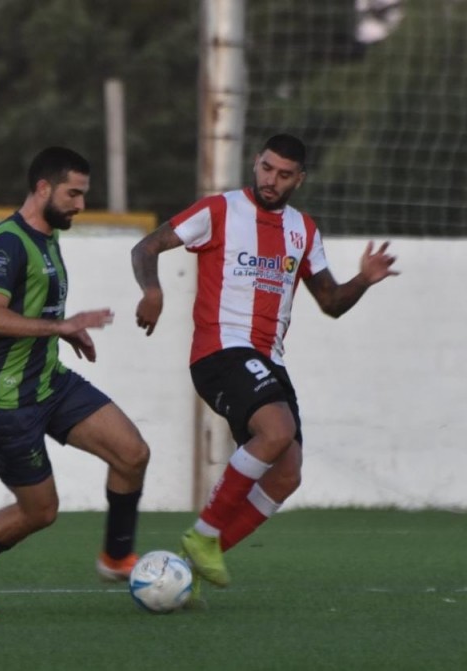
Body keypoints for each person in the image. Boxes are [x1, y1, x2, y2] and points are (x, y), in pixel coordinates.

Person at [130, 134, 398, 590]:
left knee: (287, 473)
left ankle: (188, 568)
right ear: (256, 162)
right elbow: (146, 247)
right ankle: (204, 534)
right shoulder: (219, 210)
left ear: (299, 179)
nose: (272, 180)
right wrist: (152, 291)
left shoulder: (303, 230)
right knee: (276, 430)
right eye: (267, 168)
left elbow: (331, 302)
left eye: (284, 174)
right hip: (219, 350)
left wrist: (364, 279)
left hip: (268, 359)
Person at [0, 146, 150, 616]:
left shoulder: (48, 237)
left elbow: (33, 310)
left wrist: (65, 333)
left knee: (132, 454)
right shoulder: (9, 242)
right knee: (40, 511)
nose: (80, 205)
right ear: (43, 188)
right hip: (7, 399)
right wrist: (60, 326)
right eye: (73, 194)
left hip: (50, 382)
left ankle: (117, 558)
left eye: (83, 195)